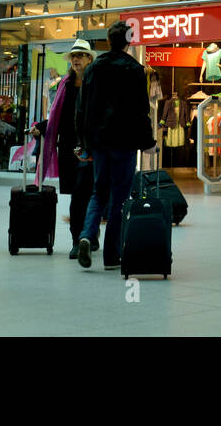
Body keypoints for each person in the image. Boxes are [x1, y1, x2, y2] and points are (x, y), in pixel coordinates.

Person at [74, 21, 155, 270]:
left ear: (108, 41)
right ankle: (111, 256)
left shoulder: (94, 68)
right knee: (120, 199)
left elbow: (82, 109)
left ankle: (86, 236)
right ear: (129, 42)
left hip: (99, 142)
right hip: (125, 143)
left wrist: (83, 143)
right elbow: (143, 110)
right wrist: (148, 142)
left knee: (98, 193)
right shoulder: (135, 69)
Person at [31, 38, 97, 258]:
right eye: (74, 56)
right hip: (69, 147)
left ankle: (82, 239)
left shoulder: (96, 83)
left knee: (84, 194)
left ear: (89, 59)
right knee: (79, 195)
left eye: (80, 56)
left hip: (91, 148)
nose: (76, 60)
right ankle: (84, 237)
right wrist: (41, 127)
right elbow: (57, 115)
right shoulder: (65, 85)